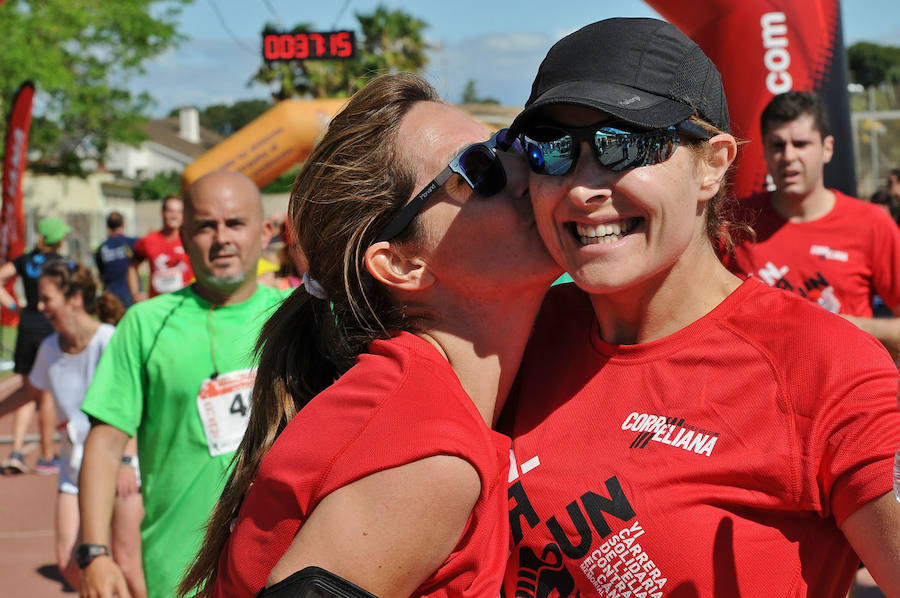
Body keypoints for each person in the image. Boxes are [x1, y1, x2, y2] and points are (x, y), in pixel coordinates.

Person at [500, 18, 900, 597]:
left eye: (625, 144)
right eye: (553, 151)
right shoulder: (519, 334)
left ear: (712, 163)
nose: (582, 187)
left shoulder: (825, 368)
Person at [178, 72, 560, 598]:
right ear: (402, 263)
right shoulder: (429, 454)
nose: (524, 169)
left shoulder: (421, 403)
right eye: (479, 167)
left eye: (512, 144)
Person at [77, 170, 283, 598]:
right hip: (179, 569)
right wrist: (95, 552)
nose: (221, 238)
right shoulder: (143, 324)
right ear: (184, 237)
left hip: (285, 567)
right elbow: (104, 444)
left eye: (235, 223)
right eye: (206, 226)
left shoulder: (298, 318)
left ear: (264, 233)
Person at [0, 261, 145, 596]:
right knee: (70, 563)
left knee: (127, 564)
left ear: (75, 299)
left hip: (119, 463)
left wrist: (127, 459)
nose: (39, 306)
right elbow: (30, 391)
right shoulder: (50, 348)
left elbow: (132, 399)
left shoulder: (109, 340)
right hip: (74, 467)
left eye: (46, 298)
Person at [726, 91, 900, 356]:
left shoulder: (872, 224)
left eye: (801, 144)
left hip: (846, 389)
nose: (788, 156)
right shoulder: (734, 223)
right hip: (759, 391)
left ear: (827, 148)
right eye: (777, 145)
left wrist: (842, 326)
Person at [0, 216, 70, 474]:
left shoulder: (25, 260)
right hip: (49, 330)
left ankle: (17, 451)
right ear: (57, 239)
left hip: (26, 328)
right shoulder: (61, 265)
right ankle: (46, 456)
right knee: (47, 392)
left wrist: (14, 306)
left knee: (30, 392)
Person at [127, 194, 193, 301]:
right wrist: (135, 294)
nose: (174, 216)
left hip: (186, 303)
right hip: (158, 305)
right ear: (162, 213)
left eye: (179, 211)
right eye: (171, 211)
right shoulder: (148, 240)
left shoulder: (192, 239)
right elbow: (132, 268)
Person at [95, 211, 138, 307]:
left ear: (108, 226)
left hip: (110, 294)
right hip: (131, 293)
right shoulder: (133, 243)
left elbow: (101, 273)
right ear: (123, 223)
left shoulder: (102, 248)